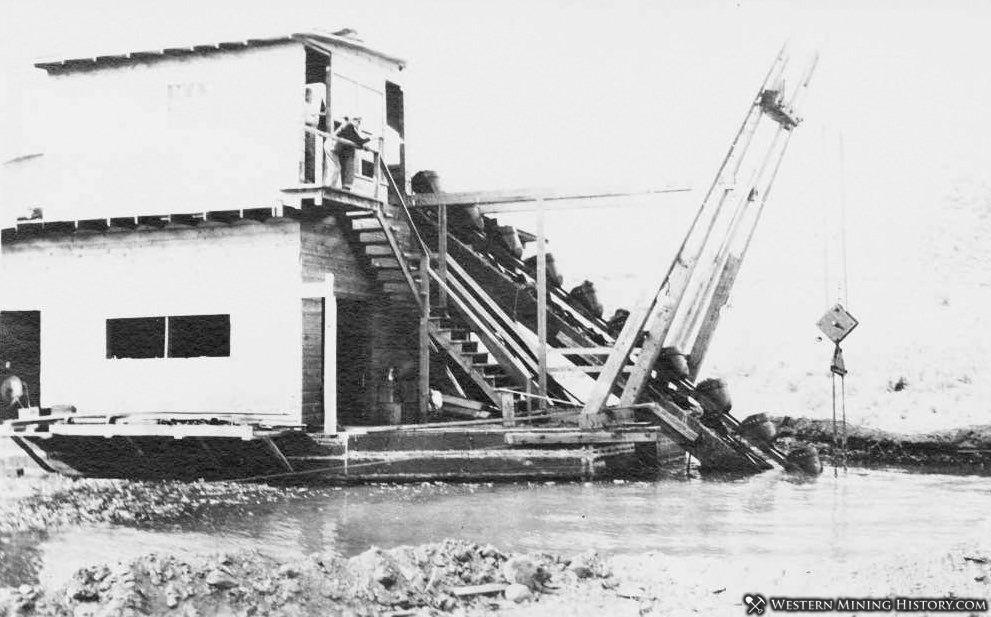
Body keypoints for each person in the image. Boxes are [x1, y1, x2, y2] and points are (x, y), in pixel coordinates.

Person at [328, 116, 371, 190]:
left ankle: (337, 186)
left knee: (339, 167)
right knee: (337, 168)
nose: (359, 125)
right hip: (334, 149)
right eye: (359, 122)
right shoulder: (349, 126)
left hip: (337, 150)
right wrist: (369, 140)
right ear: (355, 121)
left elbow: (356, 141)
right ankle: (331, 187)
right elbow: (358, 140)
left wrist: (363, 145)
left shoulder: (348, 127)